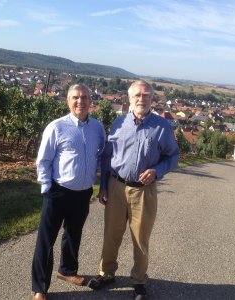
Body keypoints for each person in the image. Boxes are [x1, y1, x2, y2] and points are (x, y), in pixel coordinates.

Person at [87, 80, 179, 299]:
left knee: (140, 238)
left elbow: (173, 156)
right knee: (111, 234)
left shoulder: (162, 127)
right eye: (137, 95)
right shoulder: (118, 124)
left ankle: (138, 280)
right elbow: (108, 157)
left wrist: (157, 171)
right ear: (129, 98)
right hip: (116, 186)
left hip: (143, 191)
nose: (141, 98)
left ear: (152, 99)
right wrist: (103, 186)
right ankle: (106, 273)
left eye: (146, 95)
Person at [31, 84, 106, 300]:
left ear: (91, 101)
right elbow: (43, 160)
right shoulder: (57, 127)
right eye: (75, 97)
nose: (80, 101)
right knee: (46, 240)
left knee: (74, 235)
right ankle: (40, 288)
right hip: (58, 191)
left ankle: (67, 271)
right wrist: (47, 188)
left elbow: (100, 156)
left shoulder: (97, 128)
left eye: (84, 97)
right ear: (68, 101)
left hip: (83, 193)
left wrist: (101, 181)